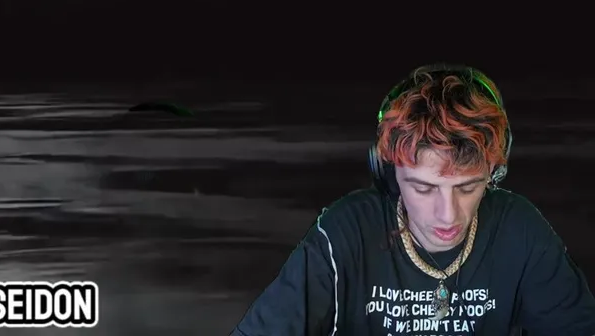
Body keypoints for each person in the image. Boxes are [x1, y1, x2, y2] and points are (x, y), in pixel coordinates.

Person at [231, 64, 595, 336]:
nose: (448, 215)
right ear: (389, 173)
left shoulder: (521, 231)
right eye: (423, 188)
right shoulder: (343, 235)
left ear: (494, 173)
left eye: (468, 187)